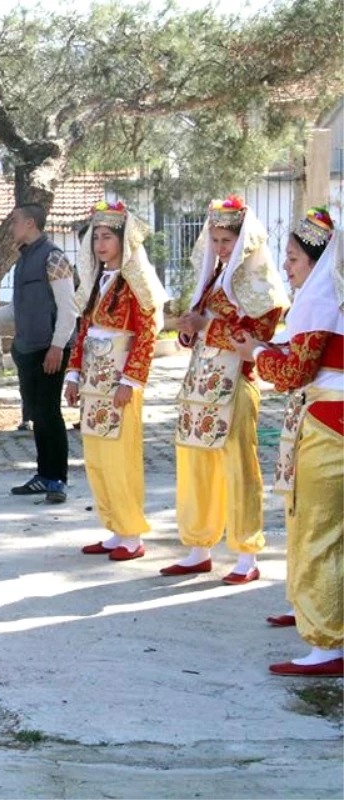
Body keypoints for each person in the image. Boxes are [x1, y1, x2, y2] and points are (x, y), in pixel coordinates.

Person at [230, 207, 344, 675]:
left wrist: (254, 352)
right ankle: (311, 609)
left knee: (318, 527)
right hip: (324, 415)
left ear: (317, 260)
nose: (287, 266)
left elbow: (296, 372)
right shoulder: (328, 298)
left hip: (327, 423)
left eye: (294, 257)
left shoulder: (320, 300)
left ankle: (327, 642)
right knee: (314, 523)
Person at [161, 196, 287, 583]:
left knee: (238, 468)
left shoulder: (261, 285)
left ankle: (247, 555)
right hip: (201, 381)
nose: (219, 249)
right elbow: (200, 331)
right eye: (215, 241)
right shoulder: (213, 277)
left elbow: (259, 336)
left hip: (236, 381)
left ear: (244, 241)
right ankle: (198, 546)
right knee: (194, 461)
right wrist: (187, 330)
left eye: (226, 241)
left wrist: (204, 327)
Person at [0, 203, 78, 503]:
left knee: (49, 413)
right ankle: (43, 475)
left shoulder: (54, 258)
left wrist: (58, 346)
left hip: (49, 350)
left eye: (15, 222)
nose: (11, 228)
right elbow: (15, 310)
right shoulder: (23, 261)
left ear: (31, 223)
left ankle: (57, 479)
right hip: (27, 350)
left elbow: (68, 309)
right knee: (37, 414)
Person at [64, 202, 167, 561]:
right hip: (94, 380)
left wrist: (132, 380)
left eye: (107, 237)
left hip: (120, 379)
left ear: (124, 240)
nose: (100, 245)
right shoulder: (96, 282)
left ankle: (132, 533)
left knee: (121, 457)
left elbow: (147, 332)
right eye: (97, 238)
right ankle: (113, 527)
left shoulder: (135, 281)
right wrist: (74, 375)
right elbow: (83, 331)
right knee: (97, 456)